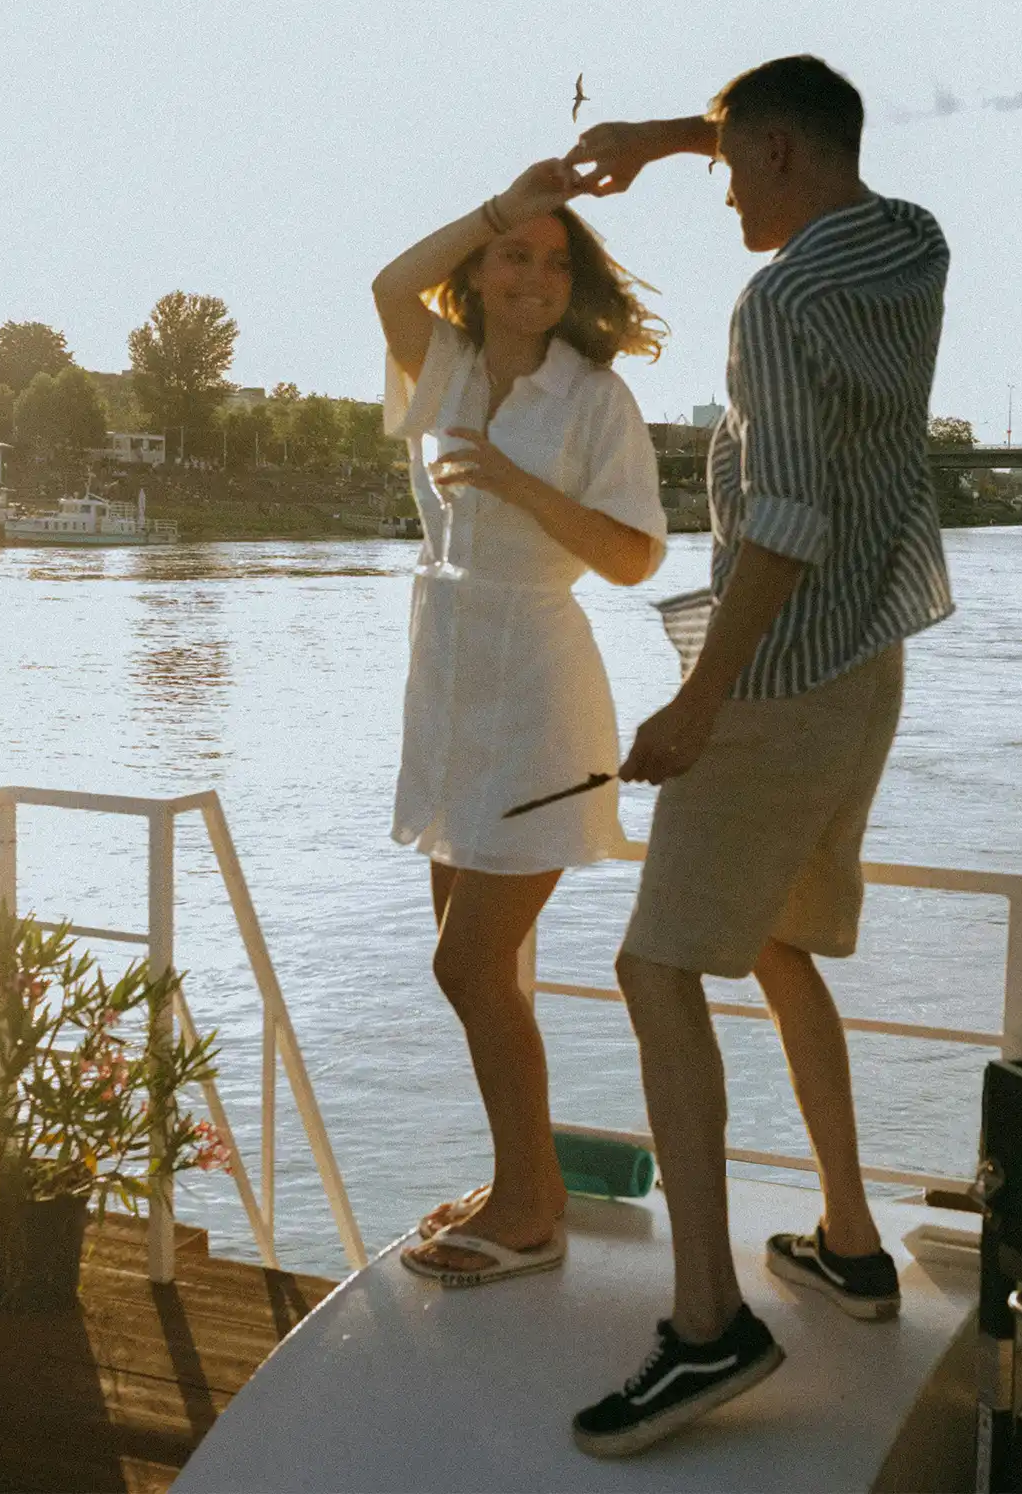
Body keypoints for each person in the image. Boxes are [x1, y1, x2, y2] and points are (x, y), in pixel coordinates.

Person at [564, 56, 954, 1456]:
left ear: (783, 154)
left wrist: (695, 706)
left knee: (657, 968)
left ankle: (708, 1325)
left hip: (777, 679)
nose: (720, 185)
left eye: (734, 164)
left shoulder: (781, 300)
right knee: (779, 945)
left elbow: (779, 518)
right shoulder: (910, 244)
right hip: (868, 665)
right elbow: (792, 121)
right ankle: (850, 1241)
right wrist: (665, 135)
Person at [372, 158, 668, 1285]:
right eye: (513, 252)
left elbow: (637, 556)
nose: (535, 274)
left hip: (540, 684)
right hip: (446, 679)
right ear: (480, 267)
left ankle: (532, 1199)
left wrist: (509, 479)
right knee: (476, 966)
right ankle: (520, 1180)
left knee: (467, 963)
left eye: (554, 259)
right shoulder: (438, 359)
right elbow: (388, 283)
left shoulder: (592, 395)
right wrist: (502, 199)